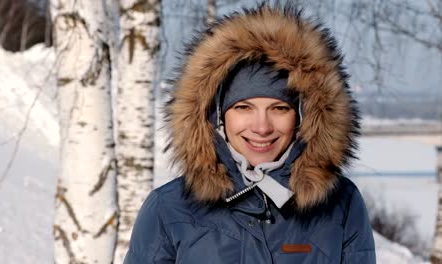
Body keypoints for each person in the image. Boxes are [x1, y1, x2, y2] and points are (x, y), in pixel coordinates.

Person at [124, 3, 375, 264]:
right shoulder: (168, 209)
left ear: (303, 117)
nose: (262, 127)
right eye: (243, 107)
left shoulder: (341, 205)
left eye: (279, 108)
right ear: (217, 115)